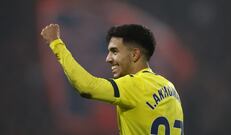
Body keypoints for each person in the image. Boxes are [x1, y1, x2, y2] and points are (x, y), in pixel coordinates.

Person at [41, 23, 184, 135]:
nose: (108, 59)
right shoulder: (170, 88)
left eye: (114, 51)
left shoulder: (134, 85)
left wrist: (56, 43)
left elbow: (87, 86)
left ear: (134, 55)